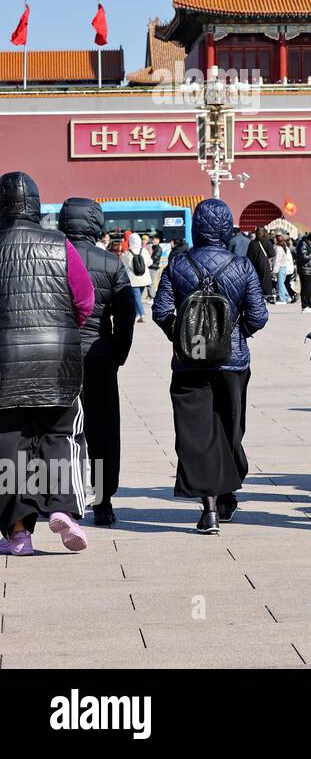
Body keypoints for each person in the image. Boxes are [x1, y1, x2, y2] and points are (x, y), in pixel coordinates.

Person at [152, 199, 268, 534]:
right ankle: (228, 493)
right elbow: (258, 316)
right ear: (226, 227)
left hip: (190, 363)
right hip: (232, 363)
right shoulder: (242, 266)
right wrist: (235, 334)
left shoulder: (177, 264)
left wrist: (184, 337)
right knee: (230, 428)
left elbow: (161, 311)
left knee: (196, 433)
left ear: (195, 227)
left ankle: (209, 510)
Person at [0, 172, 94, 556]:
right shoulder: (60, 244)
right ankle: (63, 510)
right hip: (57, 361)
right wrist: (65, 331)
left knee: (8, 446)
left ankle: (19, 534)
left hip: (4, 362)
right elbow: (84, 299)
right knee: (61, 434)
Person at [58, 198, 136, 526]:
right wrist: (118, 352)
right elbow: (127, 313)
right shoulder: (111, 263)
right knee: (103, 431)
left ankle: (66, 501)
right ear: (95, 223)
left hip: (58, 359)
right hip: (99, 356)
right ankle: (103, 502)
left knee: (62, 431)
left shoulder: (53, 257)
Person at [121, 232, 153, 323]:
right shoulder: (144, 251)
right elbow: (150, 262)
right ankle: (136, 315)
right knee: (138, 297)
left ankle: (142, 314)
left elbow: (124, 264)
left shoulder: (127, 253)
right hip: (144, 277)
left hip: (133, 278)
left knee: (136, 297)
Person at [247, 226, 274, 303]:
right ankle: (267, 296)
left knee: (257, 281)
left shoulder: (252, 243)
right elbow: (272, 254)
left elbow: (249, 256)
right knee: (266, 280)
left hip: (255, 265)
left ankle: (259, 296)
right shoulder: (267, 242)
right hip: (265, 264)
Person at [295, 232, 311, 312]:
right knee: (306, 289)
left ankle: (309, 305)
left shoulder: (305, 244)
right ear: (309, 240)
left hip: (307, 270)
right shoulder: (302, 245)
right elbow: (304, 258)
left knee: (309, 288)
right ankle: (305, 306)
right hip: (304, 270)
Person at [273, 234, 292, 304]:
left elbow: (277, 260)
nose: (274, 240)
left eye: (275, 239)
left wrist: (274, 270)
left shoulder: (278, 248)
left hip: (280, 267)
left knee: (280, 284)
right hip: (284, 267)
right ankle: (286, 297)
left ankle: (282, 299)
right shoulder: (283, 247)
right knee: (282, 284)